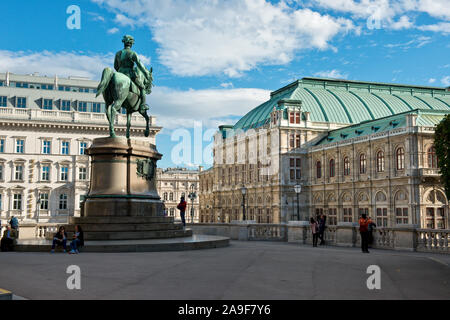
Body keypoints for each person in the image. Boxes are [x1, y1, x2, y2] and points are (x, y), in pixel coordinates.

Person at [114, 35, 149, 112]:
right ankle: (143, 105)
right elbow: (139, 65)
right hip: (130, 74)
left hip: (120, 72)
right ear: (131, 44)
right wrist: (146, 73)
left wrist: (120, 71)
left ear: (124, 43)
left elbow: (115, 66)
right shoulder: (133, 53)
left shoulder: (118, 53)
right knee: (142, 87)